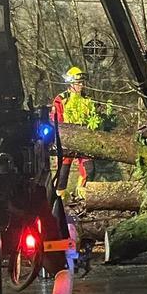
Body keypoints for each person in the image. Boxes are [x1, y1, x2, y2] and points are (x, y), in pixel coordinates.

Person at [51, 66, 99, 197]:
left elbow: (92, 119)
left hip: (83, 139)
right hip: (66, 141)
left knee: (89, 169)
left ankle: (80, 195)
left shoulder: (87, 99)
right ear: (71, 83)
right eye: (78, 83)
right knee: (63, 172)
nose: (81, 85)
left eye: (82, 83)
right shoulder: (61, 99)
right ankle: (60, 198)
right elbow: (56, 121)